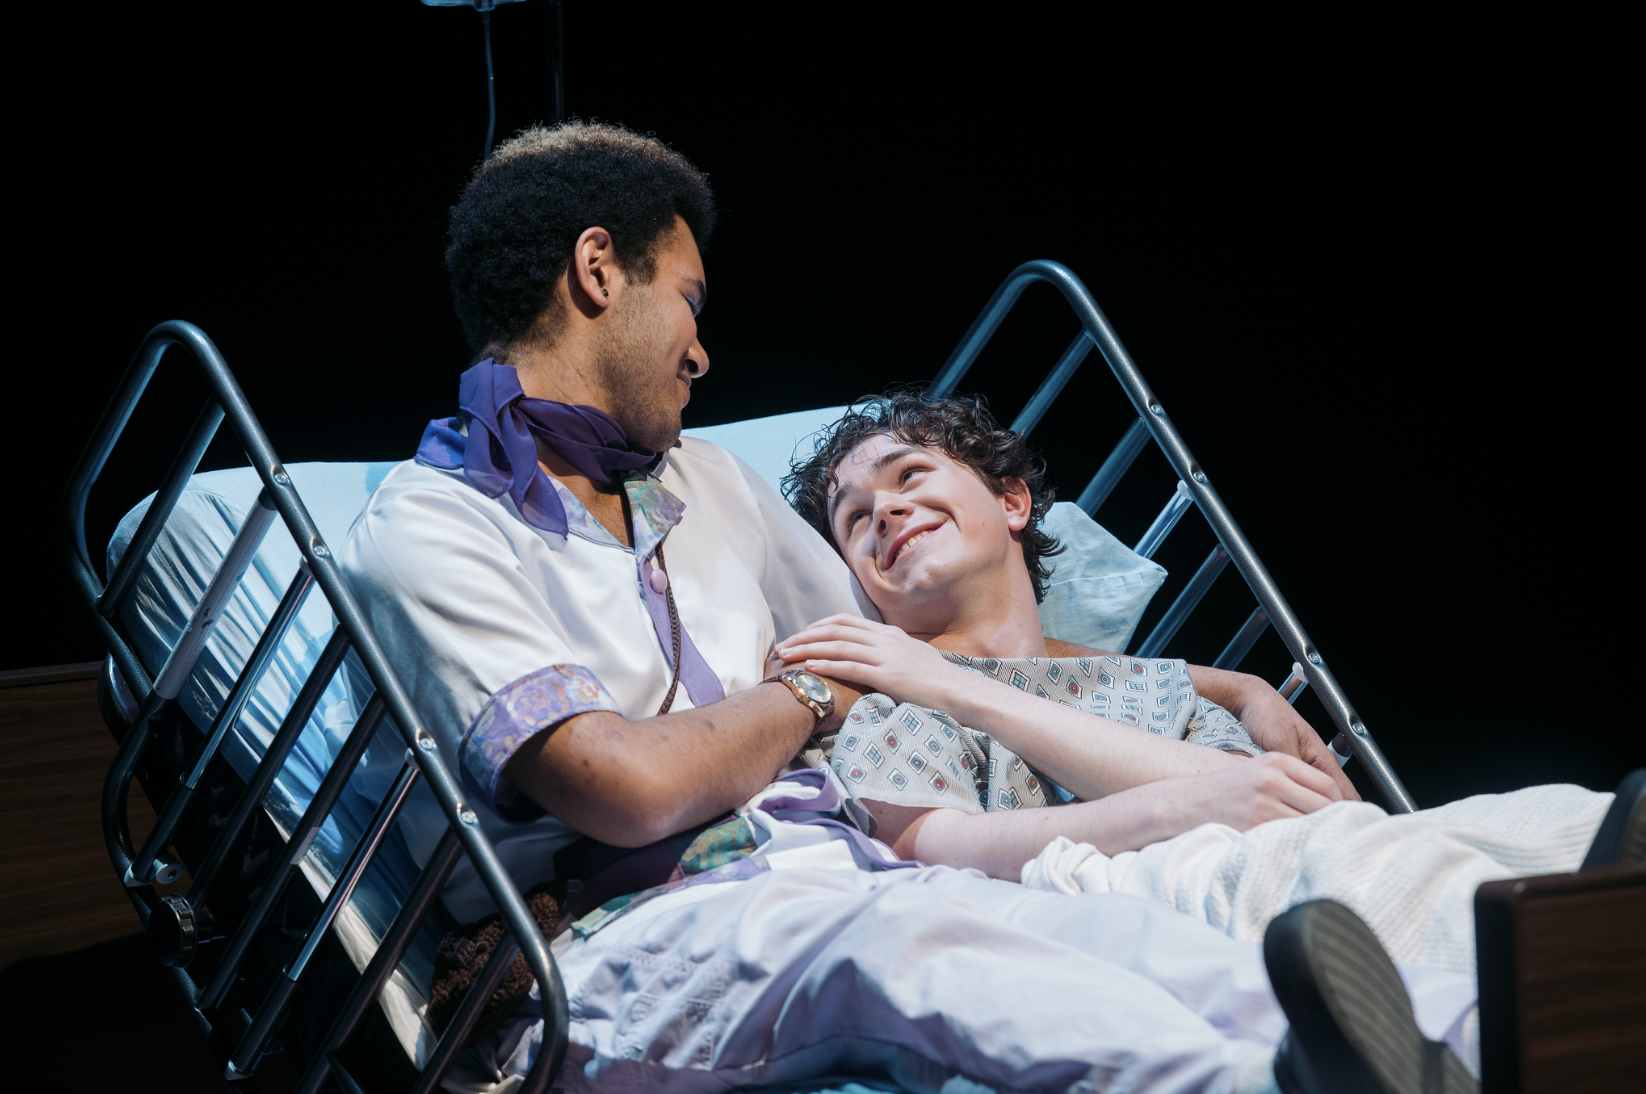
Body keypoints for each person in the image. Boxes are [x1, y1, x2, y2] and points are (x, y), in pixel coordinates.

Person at [339, 121, 1481, 1093]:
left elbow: (913, 648)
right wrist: (807, 693)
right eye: (687, 299)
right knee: (907, 946)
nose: (701, 350)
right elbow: (625, 788)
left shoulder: (708, 482)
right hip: (619, 937)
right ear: (598, 271)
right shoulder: (432, 523)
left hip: (837, 868)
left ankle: (1477, 1038)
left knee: (1125, 938)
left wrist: (1215, 682)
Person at [775, 391, 1624, 979]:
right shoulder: (889, 697)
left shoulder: (1163, 693)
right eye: (854, 519)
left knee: (1548, 818)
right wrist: (1169, 809)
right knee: (1354, 867)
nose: (884, 511)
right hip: (1101, 904)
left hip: (1264, 856)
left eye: (909, 476)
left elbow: (1274, 803)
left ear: (1013, 503)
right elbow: (926, 850)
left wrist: (972, 688)